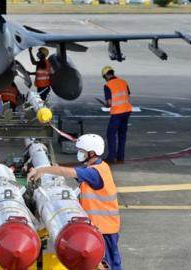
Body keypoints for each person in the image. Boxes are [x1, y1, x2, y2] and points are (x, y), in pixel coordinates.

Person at [27, 134, 123, 270]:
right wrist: (54, 169)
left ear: (91, 153)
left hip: (104, 229)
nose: (80, 154)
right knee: (102, 262)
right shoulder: (98, 168)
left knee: (108, 264)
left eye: (82, 152)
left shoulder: (94, 173)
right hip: (101, 227)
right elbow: (67, 172)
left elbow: (66, 172)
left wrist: (42, 170)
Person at [101, 66, 132, 164]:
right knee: (122, 134)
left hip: (117, 113)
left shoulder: (108, 85)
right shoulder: (123, 82)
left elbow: (109, 103)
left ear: (106, 75)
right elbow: (127, 94)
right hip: (127, 111)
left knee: (111, 134)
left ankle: (111, 157)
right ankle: (120, 157)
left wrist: (106, 104)